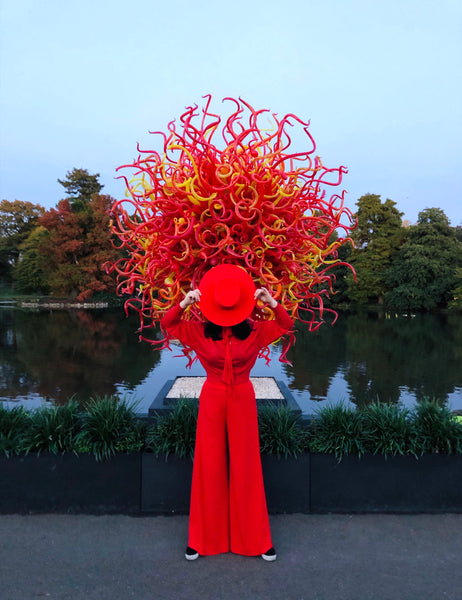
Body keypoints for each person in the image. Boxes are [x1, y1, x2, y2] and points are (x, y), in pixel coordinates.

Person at [161, 264, 293, 562]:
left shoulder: (256, 332)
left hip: (243, 396)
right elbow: (167, 326)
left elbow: (285, 326)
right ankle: (201, 540)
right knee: (209, 464)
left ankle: (257, 541)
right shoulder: (198, 332)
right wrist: (184, 303)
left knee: (247, 465)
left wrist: (272, 303)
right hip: (212, 397)